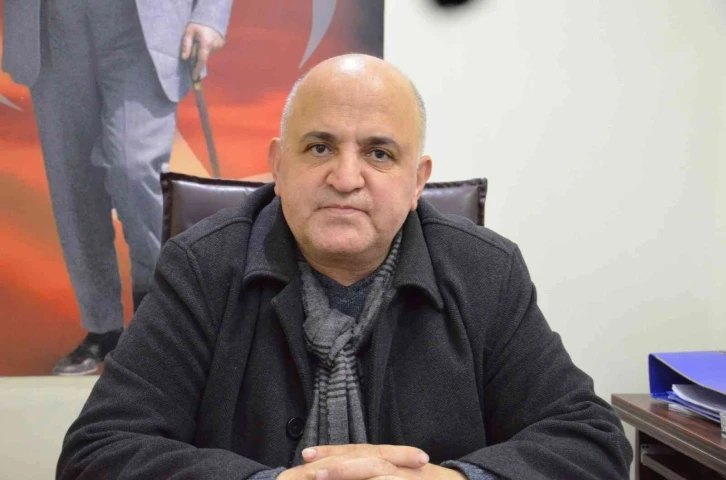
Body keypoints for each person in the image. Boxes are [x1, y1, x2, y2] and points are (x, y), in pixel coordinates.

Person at [57, 54, 632, 479]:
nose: (346, 178)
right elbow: (98, 452)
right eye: (319, 148)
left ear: (418, 182)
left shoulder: (487, 271)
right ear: (278, 165)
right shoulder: (201, 268)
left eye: (379, 153)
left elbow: (592, 442)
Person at [1, 0, 233, 375]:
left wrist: (210, 14)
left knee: (135, 168)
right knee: (73, 183)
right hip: (52, 22)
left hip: (140, 26)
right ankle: (102, 327)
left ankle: (156, 315)